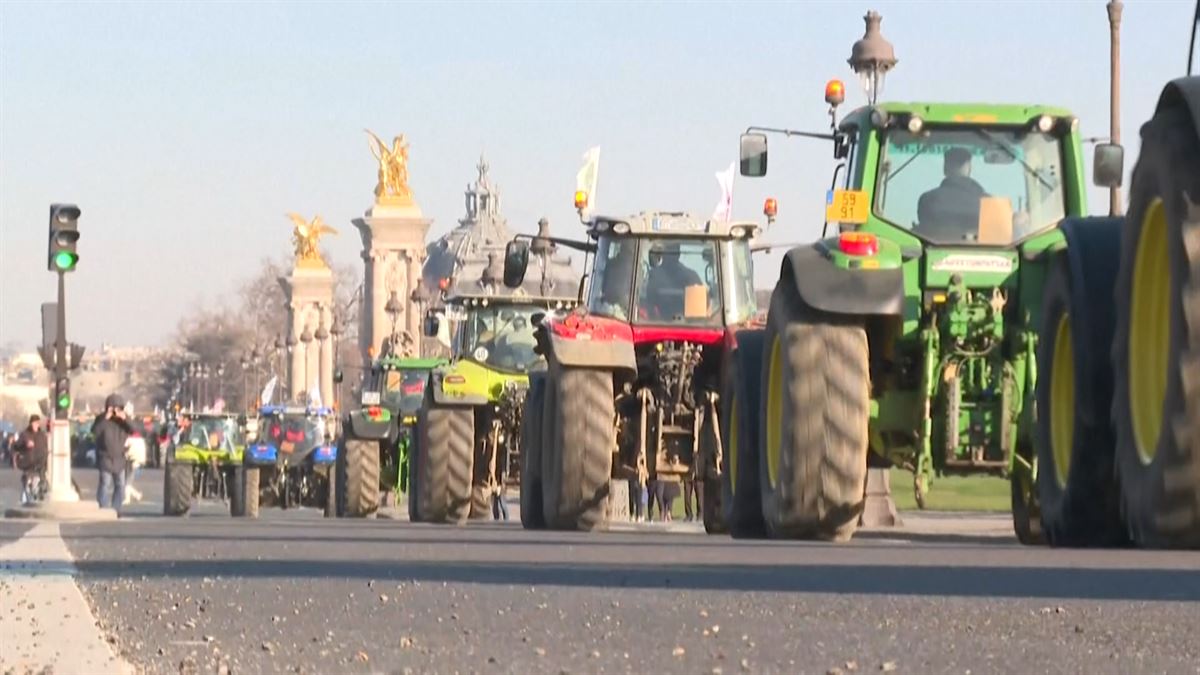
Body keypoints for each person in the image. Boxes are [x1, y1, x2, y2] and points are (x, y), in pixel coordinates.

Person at [916, 147, 987, 241]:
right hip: (983, 254)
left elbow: (925, 232)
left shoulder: (928, 199)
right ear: (969, 168)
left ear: (945, 168)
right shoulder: (989, 203)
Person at [92, 394, 134, 511]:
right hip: (105, 456)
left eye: (118, 408)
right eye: (112, 408)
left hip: (119, 457)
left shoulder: (123, 421)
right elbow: (95, 431)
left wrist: (125, 418)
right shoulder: (102, 419)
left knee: (120, 484)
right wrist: (106, 417)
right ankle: (103, 506)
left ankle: (116, 507)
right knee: (105, 483)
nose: (115, 411)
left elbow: (134, 429)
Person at [642, 242, 703, 320]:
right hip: (657, 323)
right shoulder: (692, 276)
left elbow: (645, 303)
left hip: (656, 324)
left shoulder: (653, 276)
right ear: (679, 254)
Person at [14, 415, 49, 504]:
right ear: (30, 423)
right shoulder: (25, 434)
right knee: (27, 483)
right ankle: (25, 500)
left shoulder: (42, 435)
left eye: (37, 422)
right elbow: (16, 446)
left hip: (40, 463)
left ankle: (37, 499)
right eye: (34, 423)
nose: (36, 425)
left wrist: (46, 462)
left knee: (40, 484)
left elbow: (45, 449)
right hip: (28, 463)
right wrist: (25, 444)